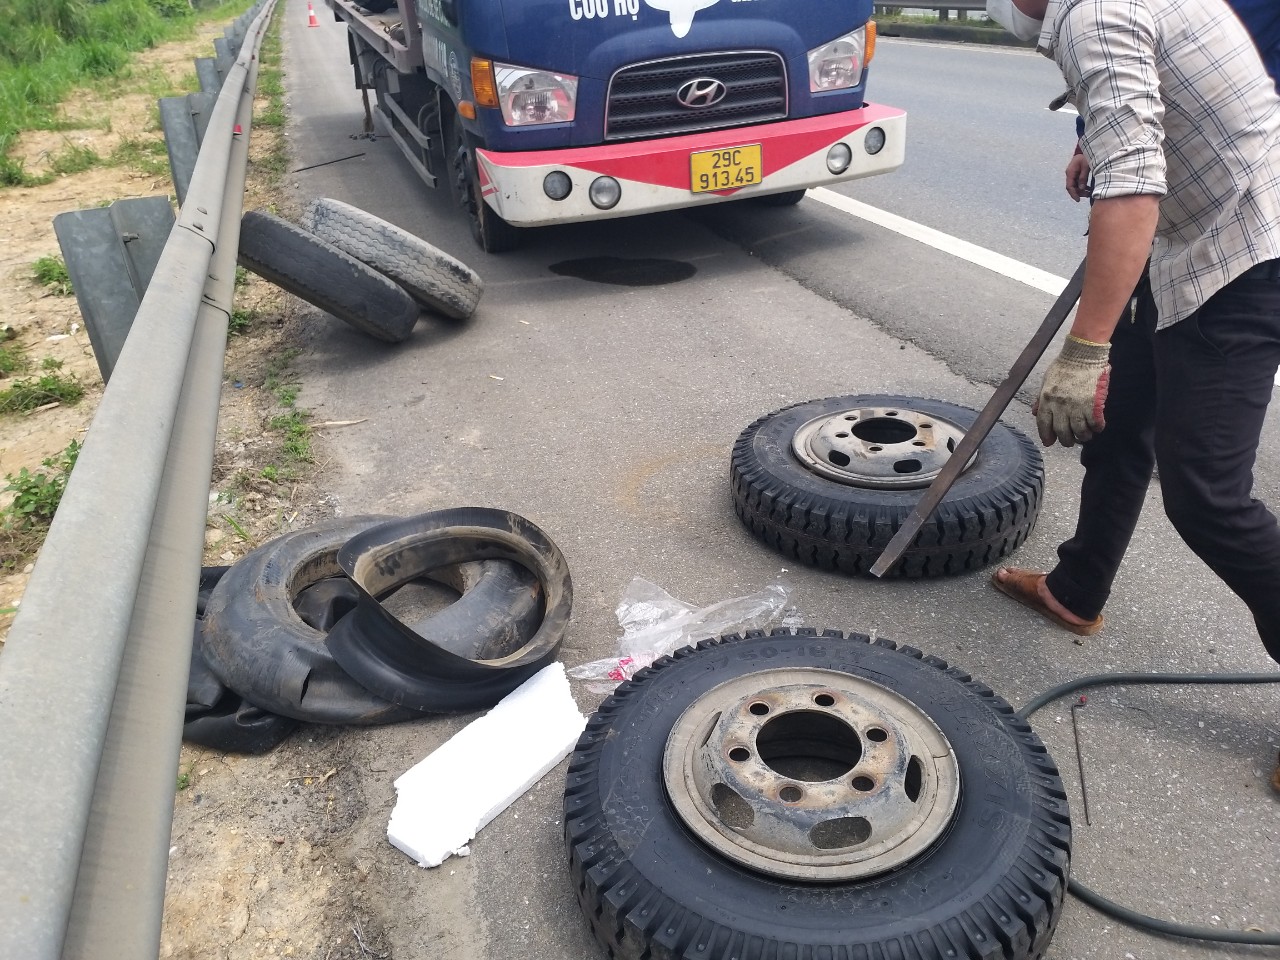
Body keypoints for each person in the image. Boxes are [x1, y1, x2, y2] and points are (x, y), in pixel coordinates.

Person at [982, 0, 1280, 709]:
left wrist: (1083, 352)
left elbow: (1134, 191)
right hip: (1194, 234)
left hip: (1246, 251)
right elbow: (1153, 105)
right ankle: (1075, 590)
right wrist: (1100, 139)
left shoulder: (1095, 16)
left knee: (1208, 498)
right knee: (1121, 426)